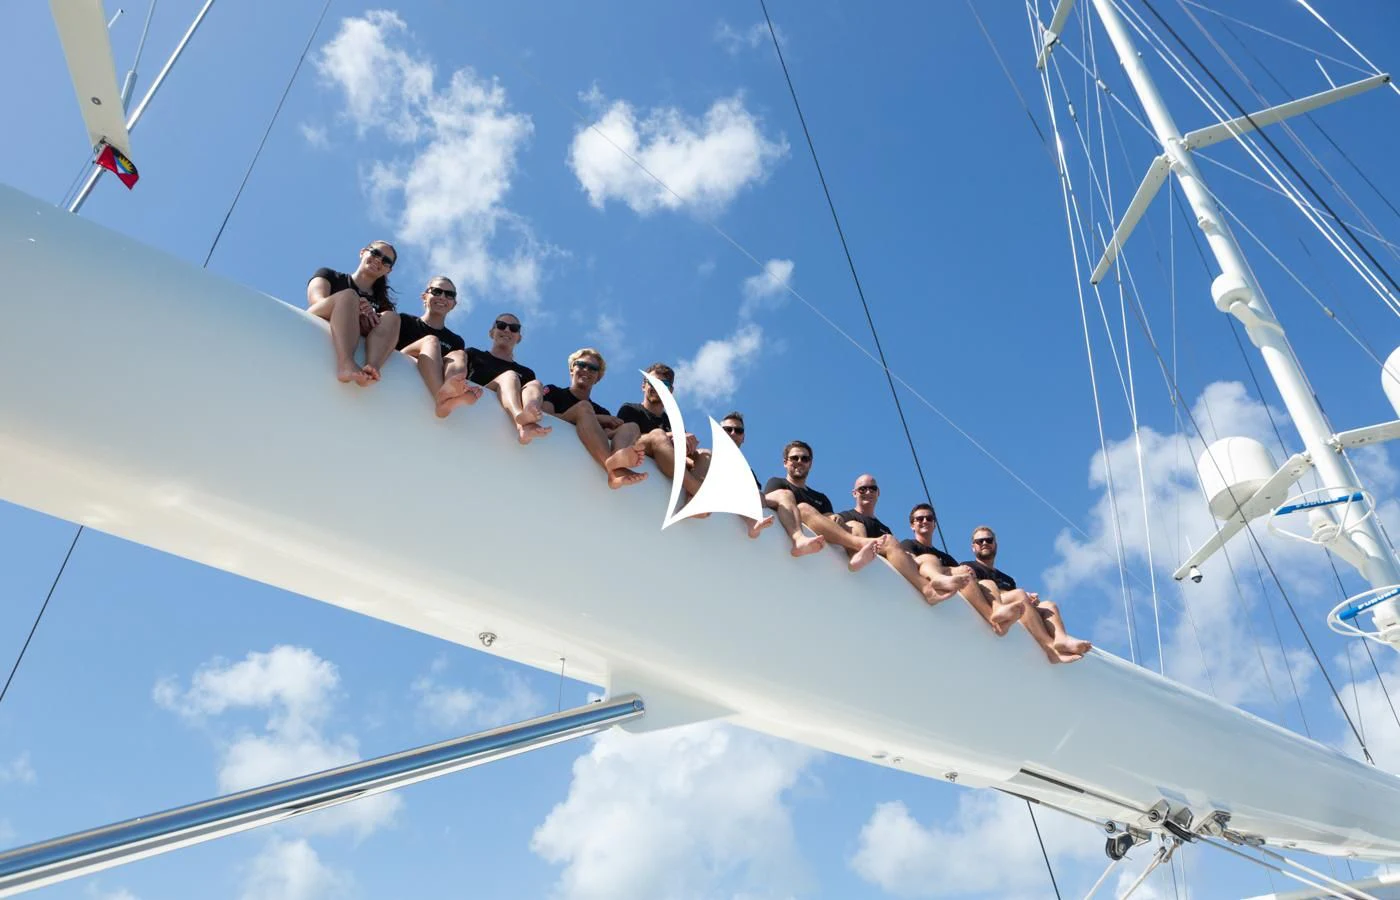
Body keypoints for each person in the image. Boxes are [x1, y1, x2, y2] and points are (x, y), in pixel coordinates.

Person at [965, 526, 1093, 663]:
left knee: (1049, 605)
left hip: (1013, 605)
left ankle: (1061, 639)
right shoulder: (969, 566)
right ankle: (1050, 648)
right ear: (973, 547)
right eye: (980, 541)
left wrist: (1030, 600)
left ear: (995, 545)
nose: (985, 543)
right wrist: (1021, 596)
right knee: (1020, 595)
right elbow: (979, 588)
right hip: (992, 604)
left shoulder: (1007, 579)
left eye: (988, 540)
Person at [836, 477, 957, 604]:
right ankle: (927, 589)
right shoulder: (846, 516)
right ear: (854, 493)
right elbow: (830, 523)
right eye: (862, 489)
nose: (868, 492)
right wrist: (835, 518)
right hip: (858, 566)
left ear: (878, 493)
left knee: (927, 558)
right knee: (856, 526)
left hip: (878, 572)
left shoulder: (885, 529)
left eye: (872, 488)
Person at [762, 442, 879, 570]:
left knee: (856, 525)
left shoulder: (821, 498)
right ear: (785, 462)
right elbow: (770, 505)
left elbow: (828, 517)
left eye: (805, 459)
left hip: (822, 534)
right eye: (795, 458)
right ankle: (858, 543)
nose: (800, 461)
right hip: (794, 531)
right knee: (803, 508)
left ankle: (856, 558)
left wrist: (834, 517)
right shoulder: (777, 482)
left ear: (810, 464)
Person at [542, 348, 646, 488]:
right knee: (584, 407)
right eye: (581, 365)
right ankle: (613, 471)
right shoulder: (554, 391)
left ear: (598, 378)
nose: (586, 370)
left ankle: (617, 461)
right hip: (554, 449)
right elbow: (545, 416)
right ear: (572, 369)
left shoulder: (603, 411)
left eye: (593, 368)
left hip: (589, 441)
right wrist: (598, 418)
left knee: (632, 426)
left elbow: (607, 434)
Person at [901, 504, 1016, 628]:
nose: (925, 521)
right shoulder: (908, 544)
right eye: (919, 519)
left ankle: (996, 613)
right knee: (932, 560)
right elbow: (911, 563)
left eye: (929, 518)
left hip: (952, 599)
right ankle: (992, 621)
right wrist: (950, 569)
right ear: (912, 525)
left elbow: (963, 576)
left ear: (934, 524)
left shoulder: (947, 558)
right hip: (927, 584)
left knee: (988, 583)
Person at [306, 241, 402, 386]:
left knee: (392, 317)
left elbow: (385, 332)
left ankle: (372, 367)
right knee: (350, 296)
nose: (378, 260)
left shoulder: (383, 304)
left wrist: (371, 320)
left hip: (361, 333)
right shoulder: (329, 275)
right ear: (363, 252)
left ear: (388, 270)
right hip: (322, 313)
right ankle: (346, 363)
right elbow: (317, 303)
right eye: (375, 253)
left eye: (386, 261)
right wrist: (352, 306)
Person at [448, 313, 551, 444]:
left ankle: (529, 417)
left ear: (518, 338)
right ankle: (521, 420)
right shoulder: (473, 354)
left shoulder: (526, 373)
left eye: (514, 328)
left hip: (500, 415)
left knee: (535, 384)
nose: (507, 330)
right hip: (475, 401)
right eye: (501, 326)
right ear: (492, 332)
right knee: (510, 376)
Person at [612, 363, 704, 500]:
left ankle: (689, 497)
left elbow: (684, 455)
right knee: (658, 435)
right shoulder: (630, 409)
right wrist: (671, 436)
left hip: (667, 459)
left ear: (670, 390)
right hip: (639, 449)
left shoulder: (673, 422)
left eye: (664, 384)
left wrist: (691, 448)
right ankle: (696, 491)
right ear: (644, 385)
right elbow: (626, 437)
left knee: (705, 454)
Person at [395, 276, 482, 417]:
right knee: (431, 341)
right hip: (401, 366)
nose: (442, 297)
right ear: (424, 296)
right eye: (436, 291)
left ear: (453, 304)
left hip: (433, 373)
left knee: (460, 355)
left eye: (449, 295)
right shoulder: (404, 321)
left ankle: (452, 392)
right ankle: (441, 400)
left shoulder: (455, 341)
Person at [716, 411, 773, 539]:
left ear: (743, 437)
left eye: (738, 431)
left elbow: (759, 497)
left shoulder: (746, 470)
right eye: (727, 429)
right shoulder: (706, 456)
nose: (733, 433)